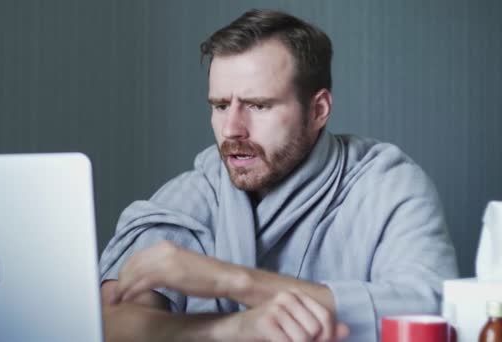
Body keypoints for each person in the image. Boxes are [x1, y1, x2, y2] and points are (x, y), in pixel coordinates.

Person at [99, 9, 458, 342]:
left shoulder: (386, 183)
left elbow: (433, 307)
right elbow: (110, 323)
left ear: (318, 110)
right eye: (221, 106)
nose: (231, 130)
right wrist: (235, 328)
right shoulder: (186, 201)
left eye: (258, 105)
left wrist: (231, 280)